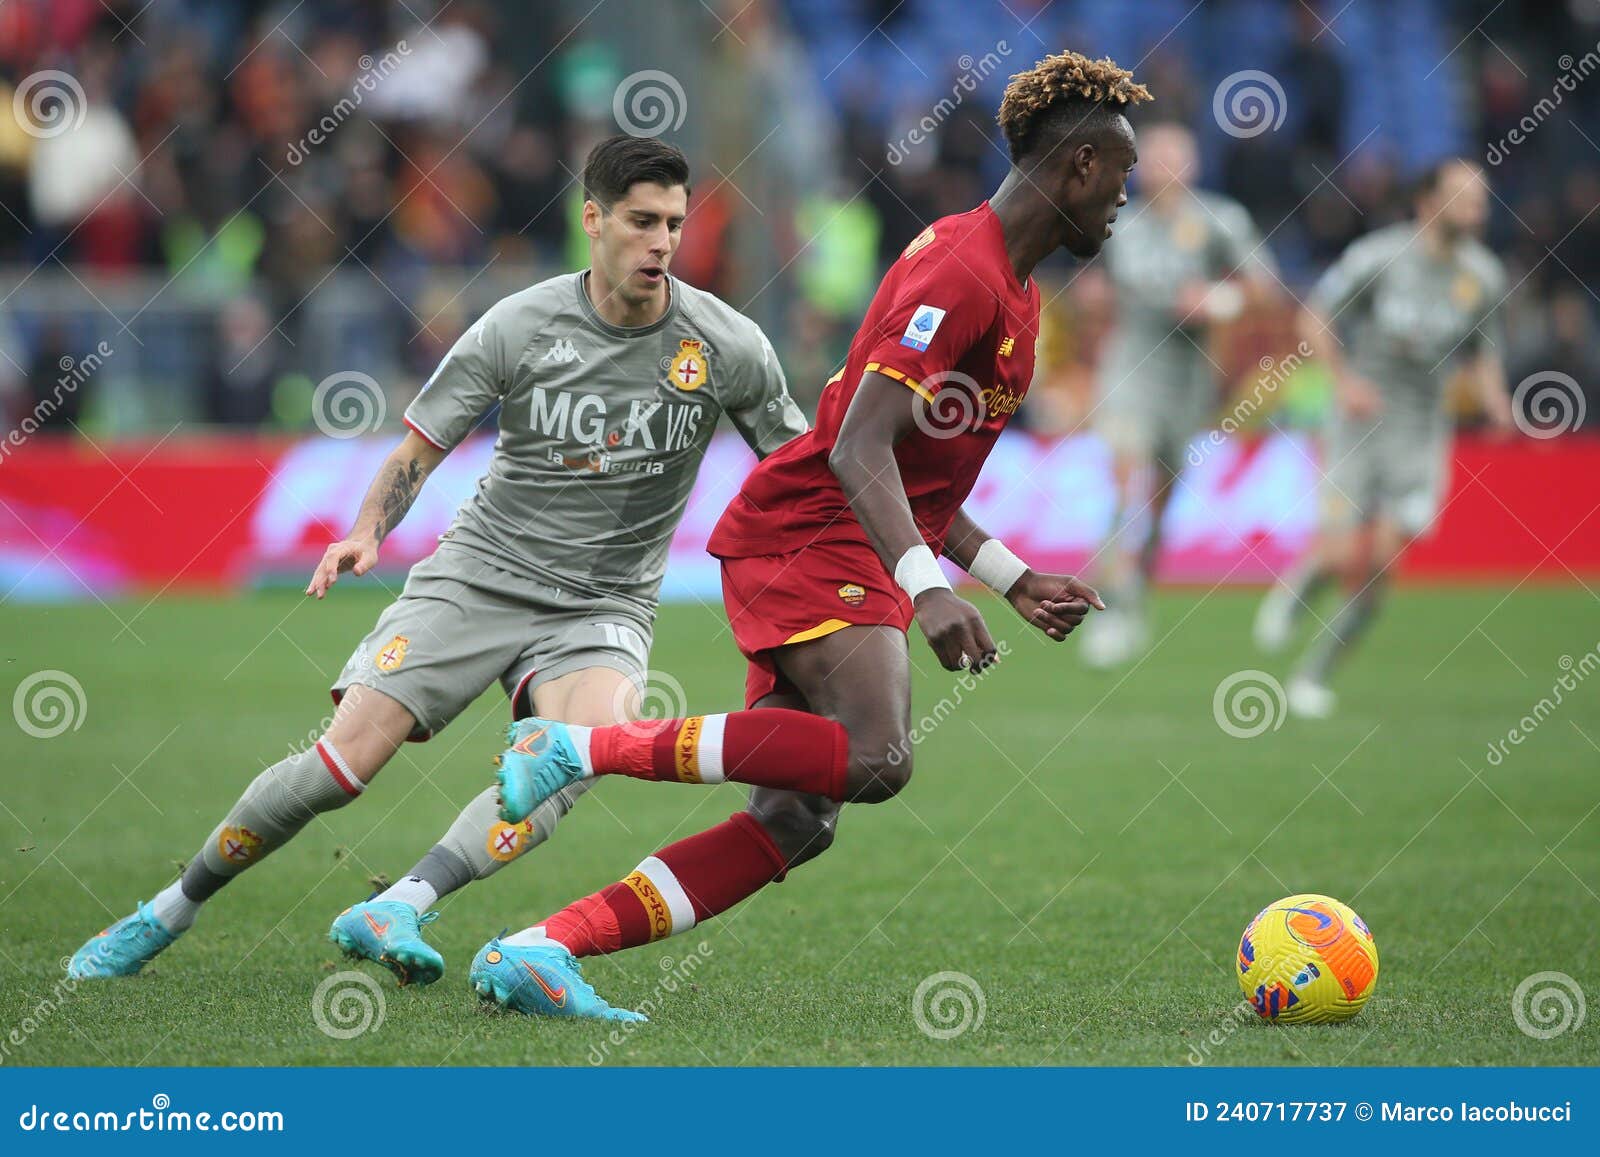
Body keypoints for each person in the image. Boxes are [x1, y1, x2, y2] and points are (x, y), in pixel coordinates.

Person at [472, 49, 1149, 1022]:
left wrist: (1006, 572)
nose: (1125, 198)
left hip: (842, 531)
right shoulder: (960, 273)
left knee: (794, 819)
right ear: (1080, 164)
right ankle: (576, 743)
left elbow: (909, 472)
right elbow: (858, 447)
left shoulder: (1010, 286)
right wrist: (927, 588)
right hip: (814, 533)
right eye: (1121, 174)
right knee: (878, 756)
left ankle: (542, 947)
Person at [66, 135, 807, 984]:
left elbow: (795, 469)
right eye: (642, 221)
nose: (662, 243)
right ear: (593, 220)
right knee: (341, 765)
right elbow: (420, 449)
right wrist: (366, 531)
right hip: (482, 573)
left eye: (674, 223)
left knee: (571, 757)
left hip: (604, 603)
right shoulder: (522, 325)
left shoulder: (725, 343)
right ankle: (171, 906)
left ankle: (402, 902)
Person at [1253, 158, 1512, 717]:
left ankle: (1314, 675)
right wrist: (1343, 382)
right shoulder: (1380, 258)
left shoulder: (1483, 276)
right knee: (1342, 551)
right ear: (1428, 201)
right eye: (1464, 198)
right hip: (1359, 421)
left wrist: (1496, 399)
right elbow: (1315, 316)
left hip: (1420, 431)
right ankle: (1299, 587)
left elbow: (1484, 350)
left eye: (1481, 199)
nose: (1477, 210)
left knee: (1384, 563)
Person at [1079, 121, 1276, 668]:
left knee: (1163, 497)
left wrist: (1217, 301)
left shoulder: (1220, 219)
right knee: (1125, 474)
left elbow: (1263, 288)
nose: (1162, 169)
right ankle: (1113, 604)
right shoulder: (1118, 220)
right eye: (1152, 159)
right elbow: (1093, 287)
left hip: (1188, 375)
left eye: (1174, 157)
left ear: (1192, 166)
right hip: (1130, 367)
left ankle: (1138, 587)